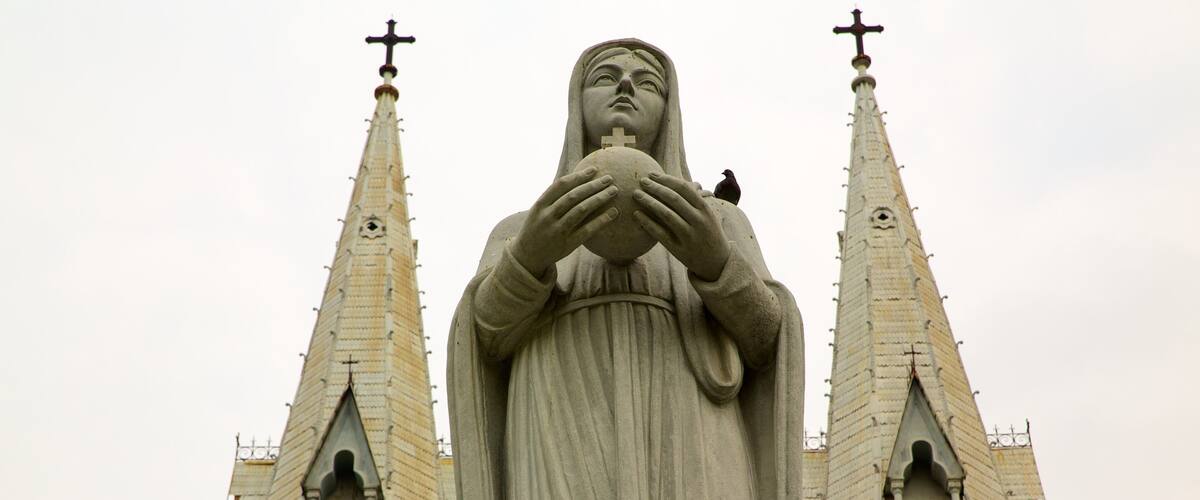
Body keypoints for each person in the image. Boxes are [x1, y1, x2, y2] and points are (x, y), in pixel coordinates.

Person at [448, 39, 805, 499]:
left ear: (669, 111)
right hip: (559, 417)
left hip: (688, 428)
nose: (624, 86)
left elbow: (767, 339)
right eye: (603, 77)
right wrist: (529, 257)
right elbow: (484, 336)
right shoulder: (525, 227)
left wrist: (715, 261)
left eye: (648, 83)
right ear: (576, 105)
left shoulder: (715, 220)